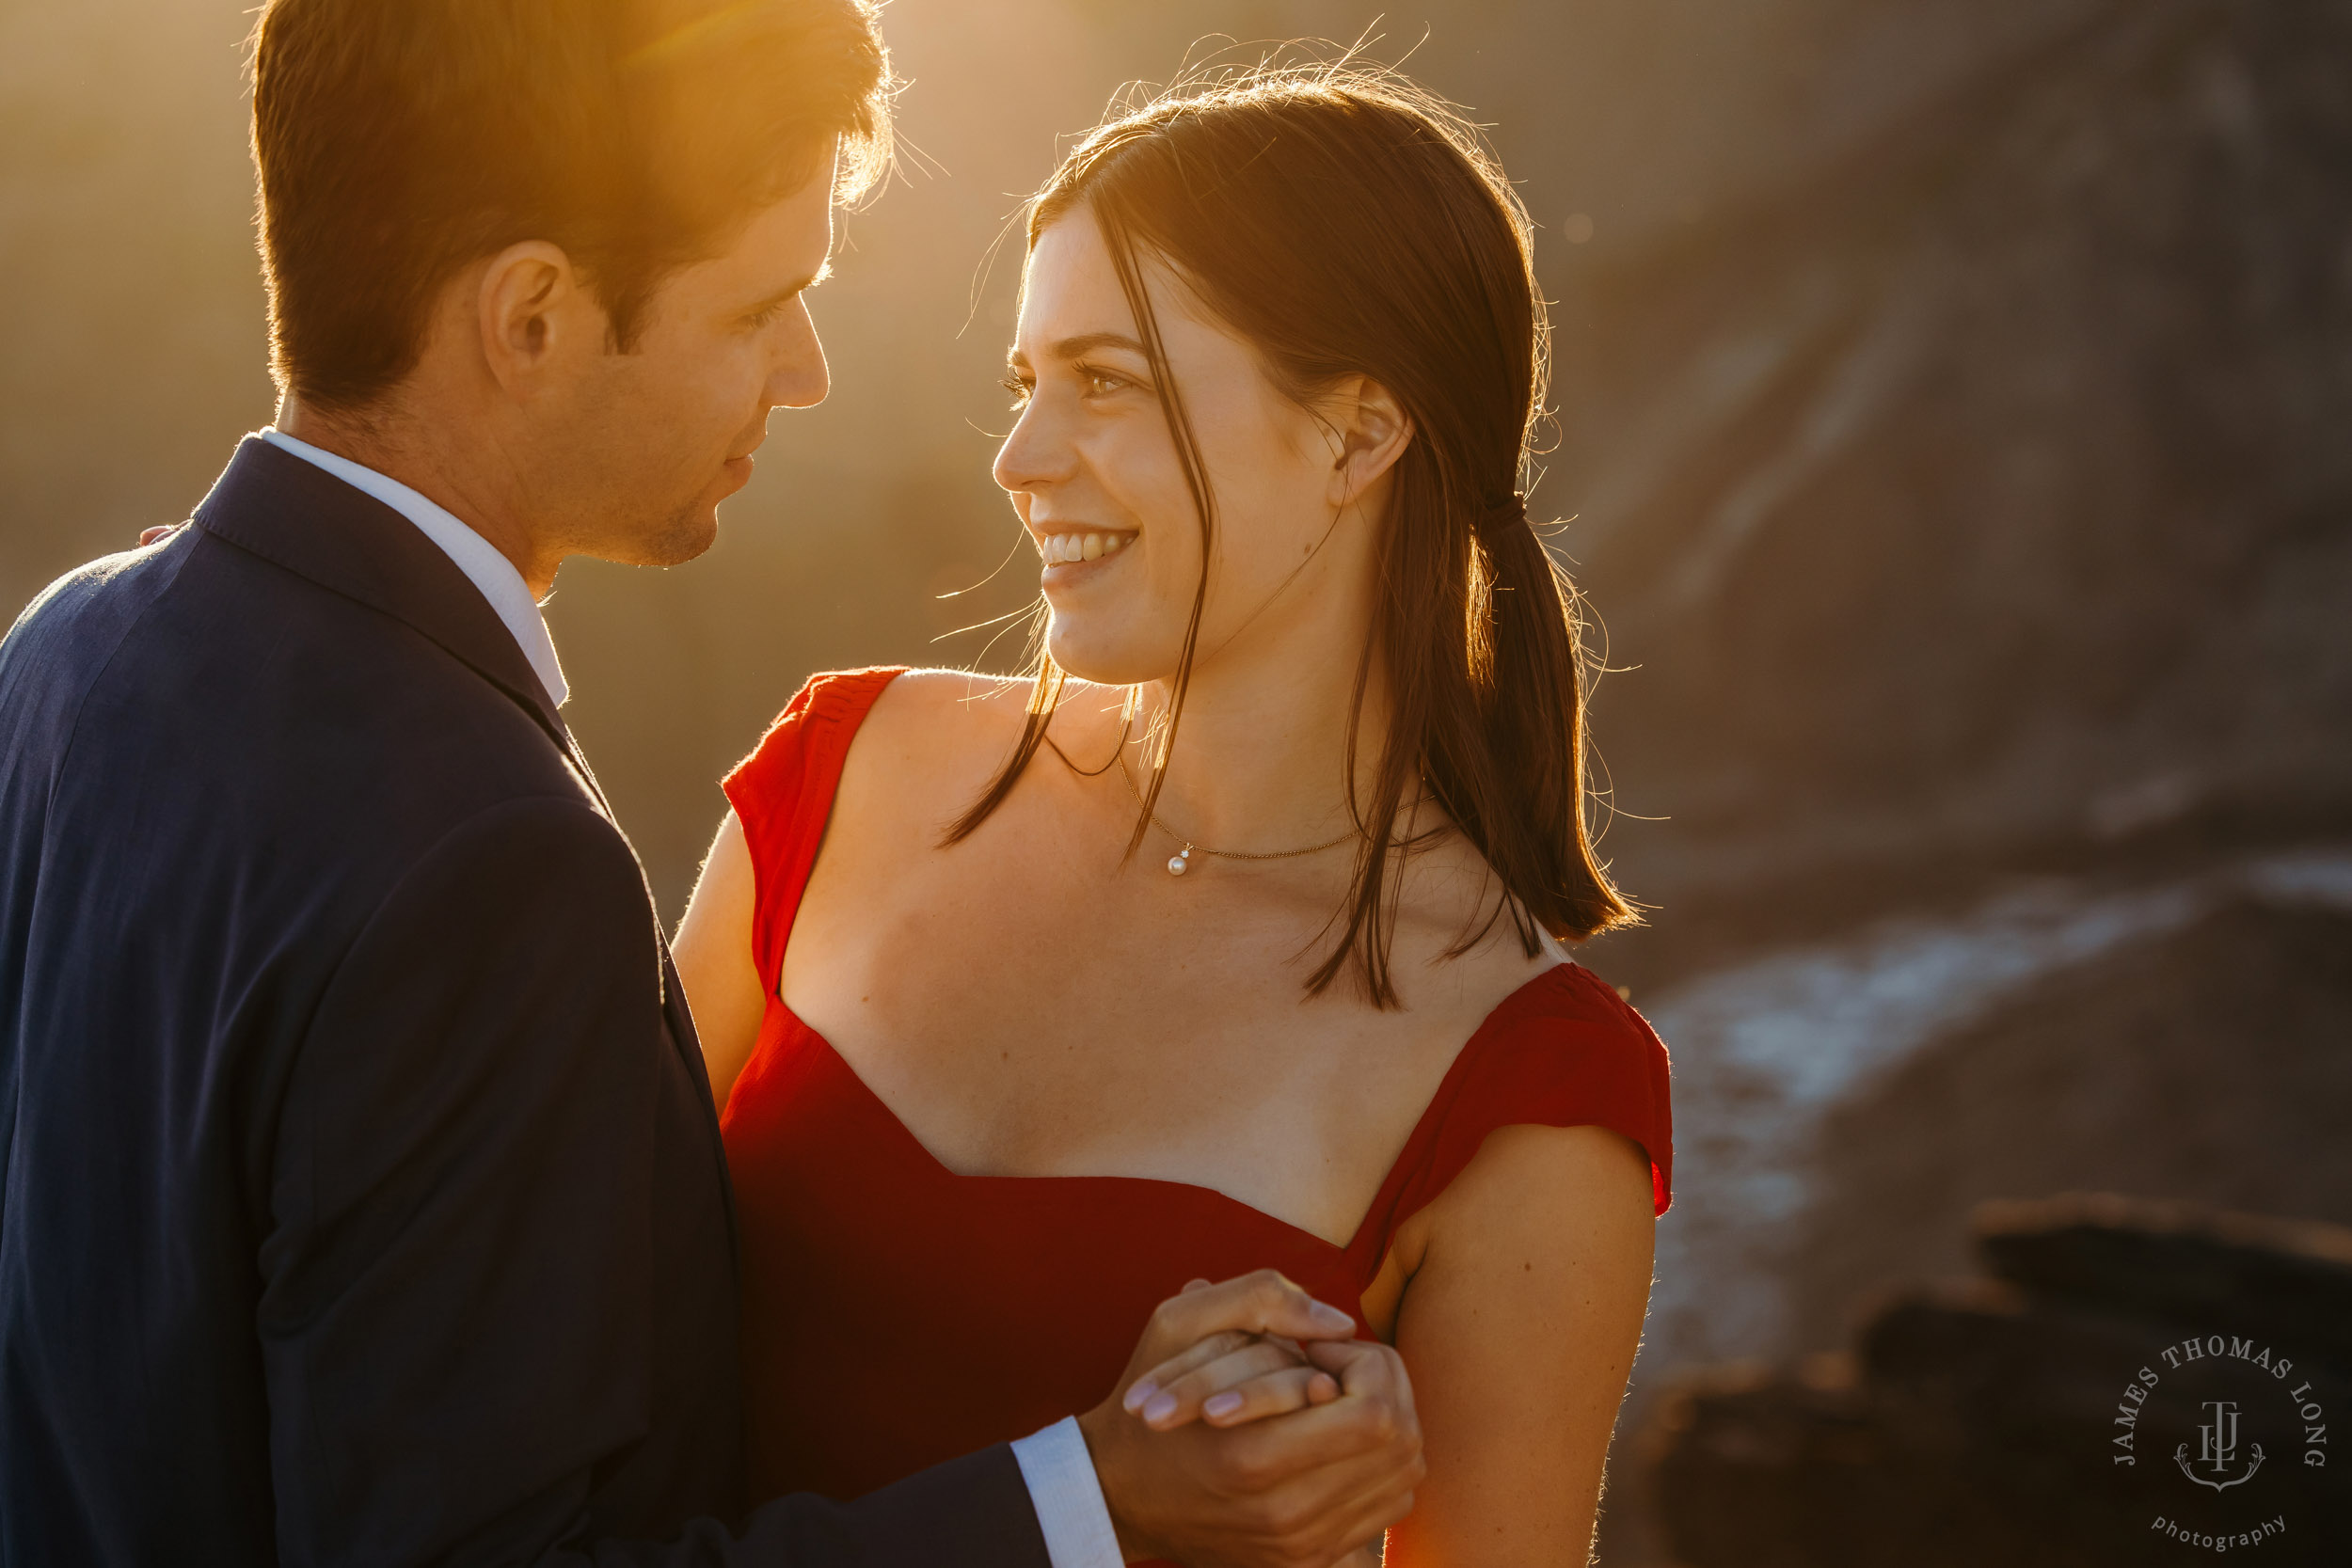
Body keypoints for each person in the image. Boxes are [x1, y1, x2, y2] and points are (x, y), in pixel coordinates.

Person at [0, 5, 1422, 1565]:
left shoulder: (66, 656)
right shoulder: (489, 863)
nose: (804, 374)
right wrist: (1092, 1502)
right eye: (759, 307)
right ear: (531, 316)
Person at [673, 65, 1676, 1568]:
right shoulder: (838, 777)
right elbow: (528, 1351)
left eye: (1107, 380)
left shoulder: (1524, 1101)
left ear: (1357, 437)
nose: (1019, 460)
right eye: (1027, 382)